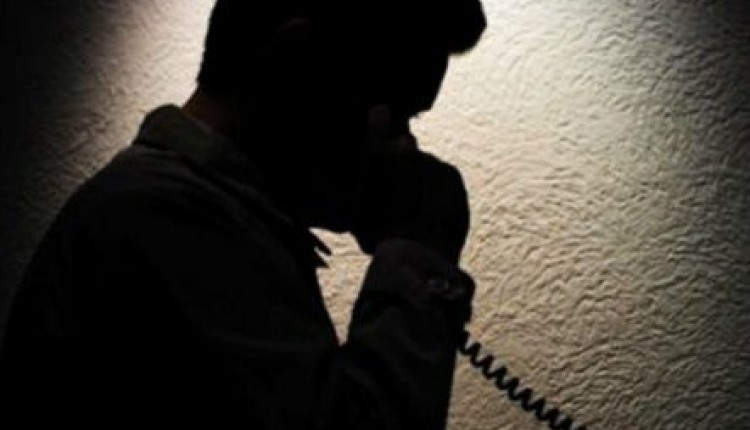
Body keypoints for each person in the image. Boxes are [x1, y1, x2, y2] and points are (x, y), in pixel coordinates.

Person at [0, 0, 486, 427]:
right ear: (298, 65)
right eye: (393, 110)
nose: (403, 146)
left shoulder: (188, 213)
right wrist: (420, 248)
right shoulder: (167, 223)